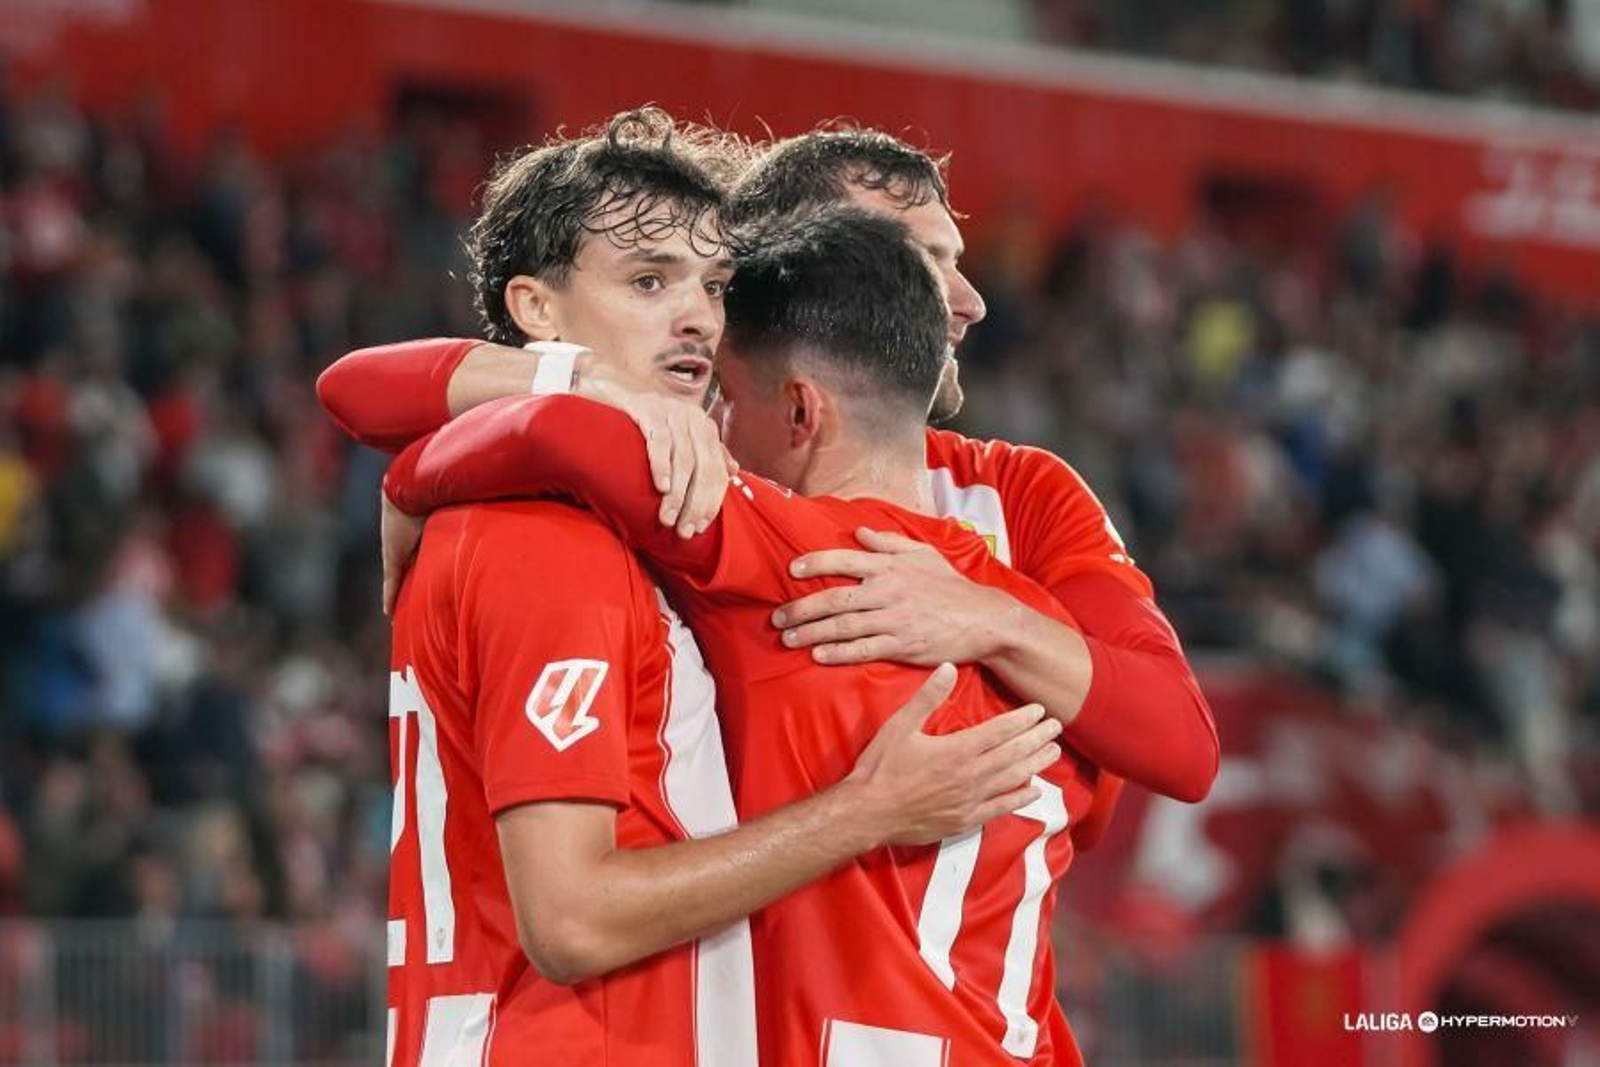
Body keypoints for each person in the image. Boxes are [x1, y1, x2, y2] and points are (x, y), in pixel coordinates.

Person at [378, 207, 1215, 1065]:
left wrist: (410, 481)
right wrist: (1004, 621)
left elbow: (547, 433)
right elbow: (1157, 750)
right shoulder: (1056, 643)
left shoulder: (790, 560)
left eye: (724, 402)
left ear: (800, 413)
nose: (709, 430)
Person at [320, 123, 1217, 842]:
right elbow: (357, 387)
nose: (966, 299)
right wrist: (517, 418)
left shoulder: (1017, 492)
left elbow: (1178, 746)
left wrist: (991, 617)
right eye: (921, 262)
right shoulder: (658, 444)